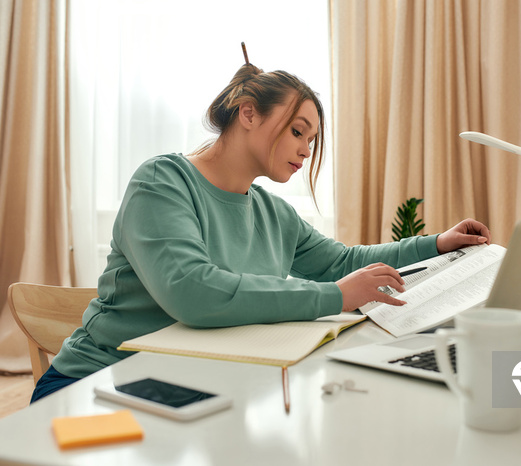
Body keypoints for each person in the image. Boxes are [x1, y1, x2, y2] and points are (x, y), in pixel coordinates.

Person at [31, 54, 491, 402]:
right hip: (98, 383)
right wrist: (336, 296)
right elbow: (193, 292)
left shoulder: (273, 212)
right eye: (297, 132)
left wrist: (436, 243)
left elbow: (342, 263)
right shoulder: (162, 182)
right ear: (248, 113)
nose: (306, 150)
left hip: (195, 381)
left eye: (311, 140)